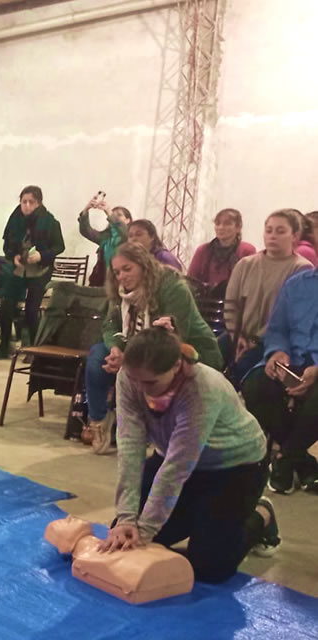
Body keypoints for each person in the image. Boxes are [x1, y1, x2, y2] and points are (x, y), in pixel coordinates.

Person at [101, 328, 280, 583]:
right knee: (124, 536)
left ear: (176, 366)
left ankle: (262, 515)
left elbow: (177, 467)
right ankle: (202, 516)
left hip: (235, 467)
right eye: (135, 380)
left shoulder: (201, 387)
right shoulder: (128, 377)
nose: (140, 389)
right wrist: (127, 519)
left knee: (209, 567)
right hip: (178, 459)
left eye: (150, 383)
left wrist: (147, 530)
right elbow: (130, 447)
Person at [84, 243, 224, 454]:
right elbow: (110, 325)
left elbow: (172, 337)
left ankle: (145, 430)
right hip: (135, 345)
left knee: (142, 369)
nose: (121, 276)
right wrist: (115, 349)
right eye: (117, 272)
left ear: (144, 266)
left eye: (127, 269)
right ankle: (99, 420)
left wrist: (129, 358)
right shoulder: (121, 293)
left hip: (186, 347)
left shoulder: (172, 286)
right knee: (97, 358)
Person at [241, 268, 318, 494]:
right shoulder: (296, 284)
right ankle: (301, 461)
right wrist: (276, 352)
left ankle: (284, 458)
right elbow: (277, 329)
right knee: (256, 385)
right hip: (290, 358)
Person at [222, 210, 311, 384]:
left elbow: (290, 318)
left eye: (280, 231)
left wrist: (255, 340)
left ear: (295, 236)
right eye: (268, 230)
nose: (272, 236)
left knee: (240, 374)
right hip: (237, 334)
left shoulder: (301, 270)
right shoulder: (245, 264)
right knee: (206, 360)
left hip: (273, 343)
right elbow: (231, 305)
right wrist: (237, 335)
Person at [0, 185, 64, 358]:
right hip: (19, 268)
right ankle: (4, 345)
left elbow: (59, 246)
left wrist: (41, 255)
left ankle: (33, 349)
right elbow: (8, 244)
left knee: (32, 309)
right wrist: (13, 256)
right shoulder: (15, 218)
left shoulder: (49, 221)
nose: (26, 206)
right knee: (6, 305)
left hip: (40, 269)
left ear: (38, 203)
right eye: (23, 201)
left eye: (30, 202)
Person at [187, 208, 257, 296]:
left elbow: (250, 284)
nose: (221, 227)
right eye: (217, 223)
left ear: (238, 228)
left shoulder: (247, 250)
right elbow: (190, 281)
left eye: (227, 224)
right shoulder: (203, 250)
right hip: (204, 301)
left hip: (234, 302)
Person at [77, 194, 131, 288]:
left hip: (120, 281)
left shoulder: (129, 236)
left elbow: (123, 231)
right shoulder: (105, 236)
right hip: (100, 279)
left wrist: (110, 213)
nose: (113, 217)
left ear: (128, 220)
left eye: (119, 215)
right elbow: (86, 231)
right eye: (113, 215)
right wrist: (86, 210)